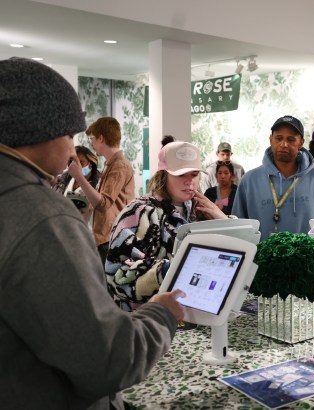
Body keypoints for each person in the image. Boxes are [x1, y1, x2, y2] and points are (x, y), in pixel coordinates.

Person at [0, 57, 186, 409]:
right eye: (70, 135)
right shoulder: (42, 218)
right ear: (40, 129)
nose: (74, 150)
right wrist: (160, 314)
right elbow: (106, 360)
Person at [106, 140, 228, 312]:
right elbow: (118, 275)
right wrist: (171, 270)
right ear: (164, 175)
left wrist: (223, 221)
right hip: (145, 320)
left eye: (194, 174)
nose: (189, 182)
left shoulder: (198, 209)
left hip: (192, 315)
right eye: (180, 175)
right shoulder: (139, 211)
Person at [232, 115, 314, 241]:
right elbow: (239, 230)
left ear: (301, 142)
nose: (284, 144)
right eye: (279, 138)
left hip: (308, 260)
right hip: (261, 260)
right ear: (270, 139)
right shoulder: (249, 181)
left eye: (291, 139)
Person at [68, 116, 135, 265]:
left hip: (112, 238)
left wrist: (79, 177)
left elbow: (103, 204)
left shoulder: (119, 166)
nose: (91, 143)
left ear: (101, 138)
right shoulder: (110, 165)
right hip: (105, 237)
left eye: (92, 139)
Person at [52, 145, 101, 222]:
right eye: (72, 162)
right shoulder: (64, 179)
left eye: (81, 162)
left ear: (90, 163)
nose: (77, 166)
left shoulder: (99, 184)